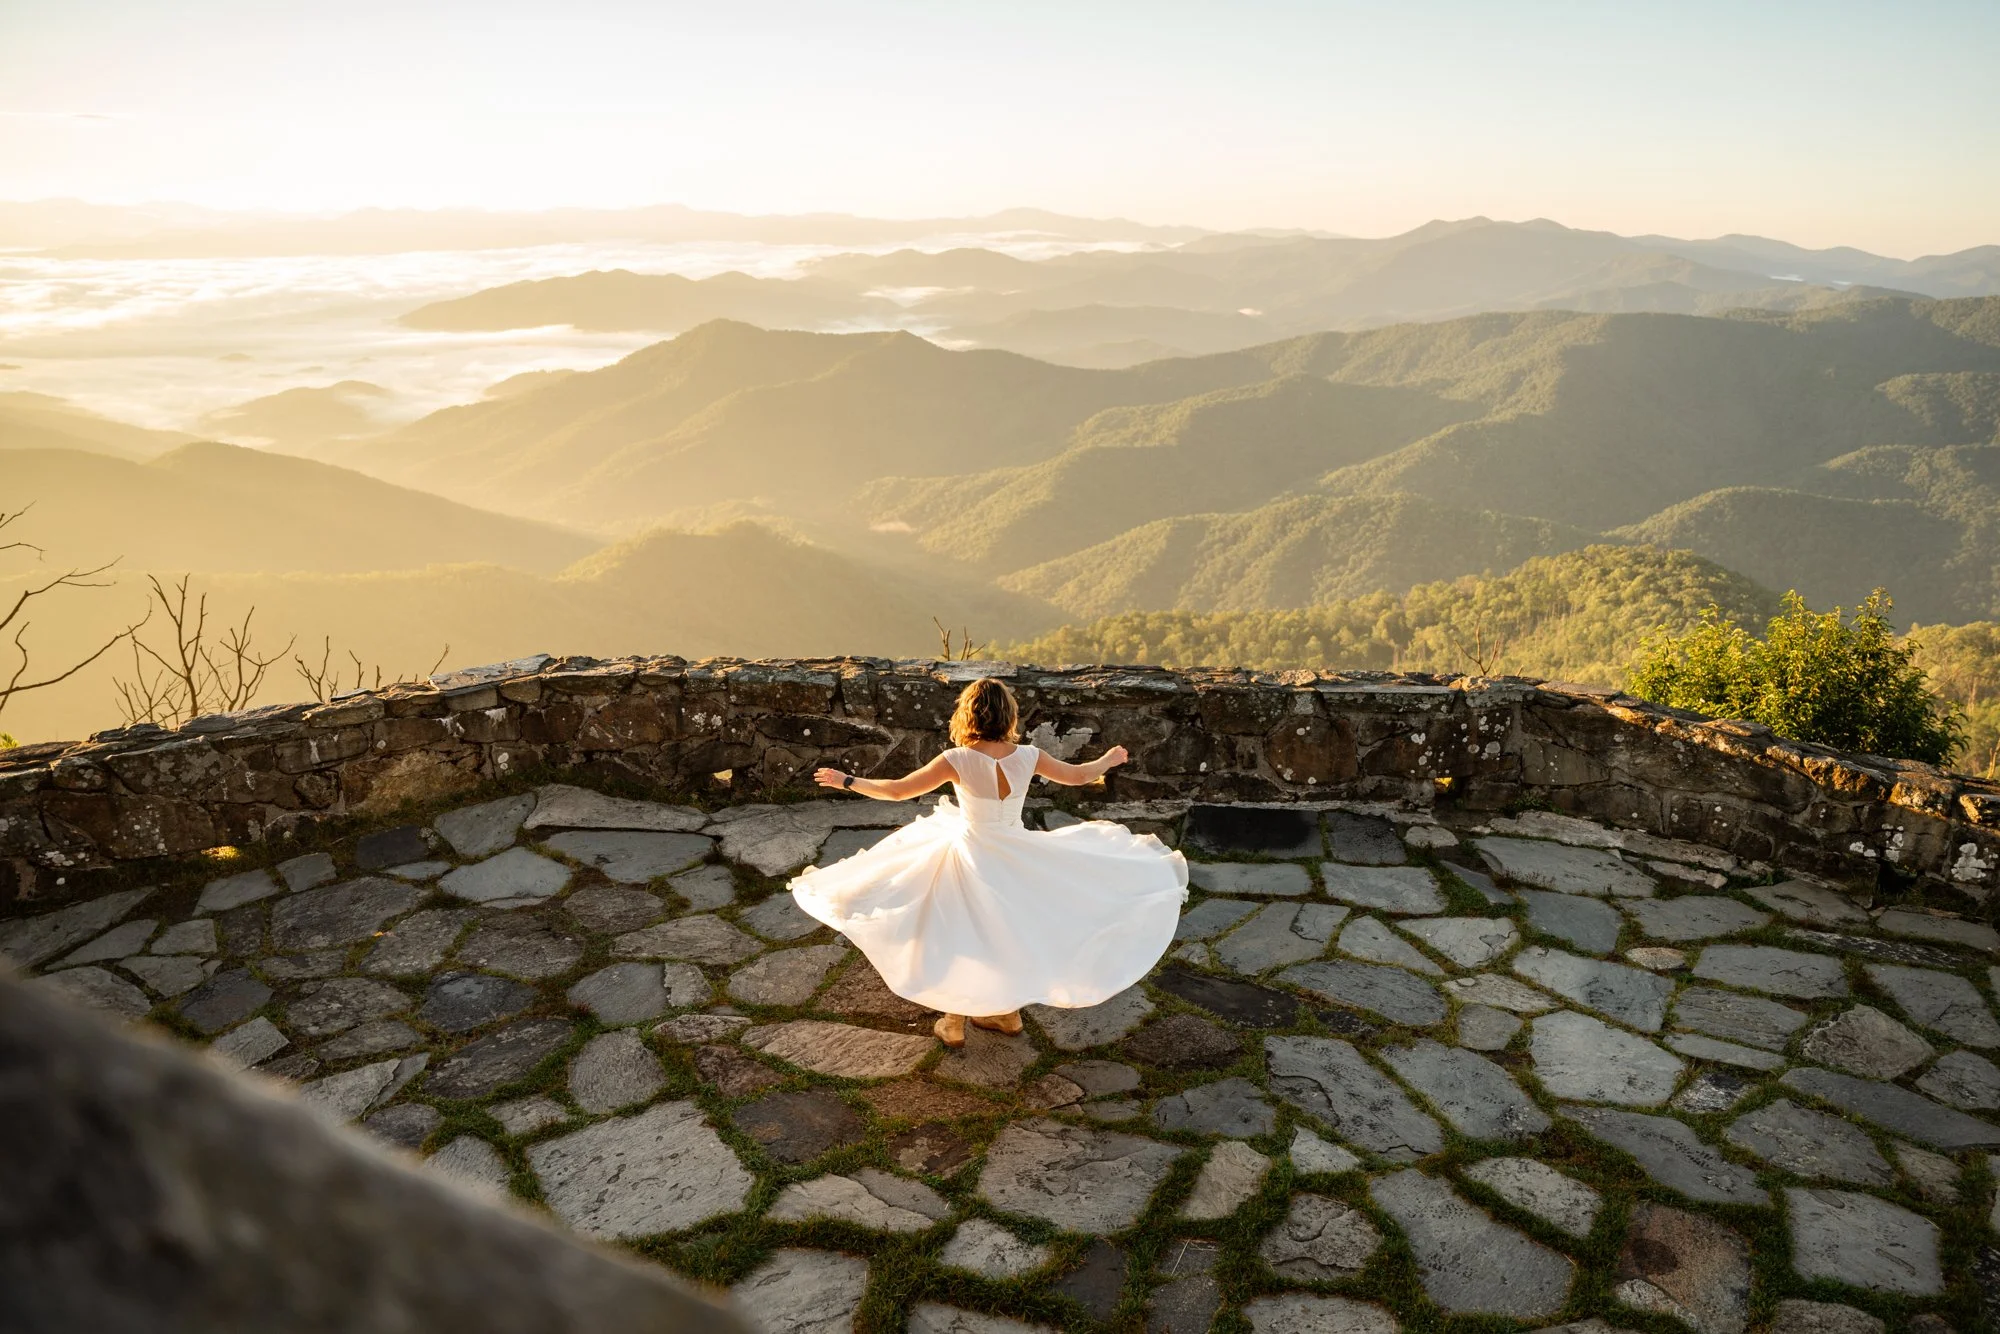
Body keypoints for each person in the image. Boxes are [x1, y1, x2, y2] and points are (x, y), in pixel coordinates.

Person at [789, 677, 1188, 1047]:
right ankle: (1005, 1013)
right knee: (1006, 931)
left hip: (968, 853)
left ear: (968, 715)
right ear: (1009, 716)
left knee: (956, 930)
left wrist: (847, 781)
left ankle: (956, 1020)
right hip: (1016, 852)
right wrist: (1108, 760)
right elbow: (1080, 776)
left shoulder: (958, 758)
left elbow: (897, 792)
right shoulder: (1029, 755)